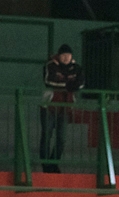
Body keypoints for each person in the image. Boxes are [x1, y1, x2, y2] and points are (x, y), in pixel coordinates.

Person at [40, 44, 84, 173]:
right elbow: (49, 81)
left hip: (65, 108)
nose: (66, 58)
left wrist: (68, 85)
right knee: (46, 136)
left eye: (68, 55)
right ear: (59, 56)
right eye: (63, 55)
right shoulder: (51, 65)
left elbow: (81, 83)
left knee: (62, 139)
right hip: (49, 107)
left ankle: (54, 163)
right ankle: (45, 164)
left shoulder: (76, 68)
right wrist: (70, 84)